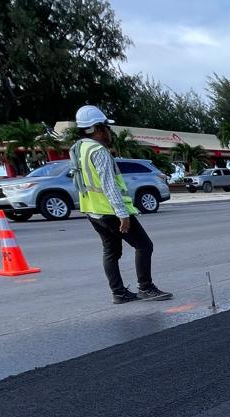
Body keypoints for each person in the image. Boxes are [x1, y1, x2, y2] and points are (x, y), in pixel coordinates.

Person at [69, 105, 172, 305]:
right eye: (107, 128)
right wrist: (122, 213)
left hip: (93, 209)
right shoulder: (98, 151)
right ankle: (146, 287)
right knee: (144, 245)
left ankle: (119, 293)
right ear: (97, 128)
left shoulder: (78, 148)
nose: (109, 132)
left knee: (110, 251)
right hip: (110, 211)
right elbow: (108, 185)